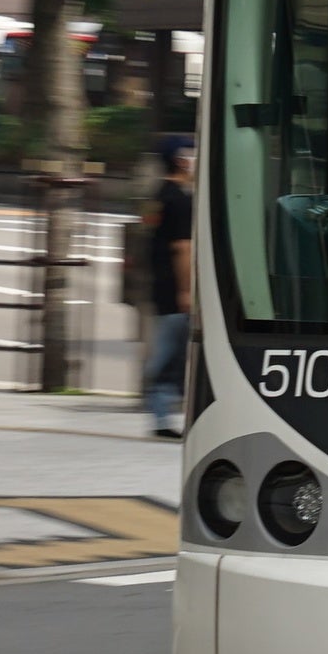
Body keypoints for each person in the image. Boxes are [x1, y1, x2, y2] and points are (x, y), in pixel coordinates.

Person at [142, 138, 197, 437]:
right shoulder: (180, 200)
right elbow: (182, 249)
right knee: (170, 355)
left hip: (160, 286)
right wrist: (186, 291)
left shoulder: (159, 196)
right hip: (175, 291)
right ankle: (162, 416)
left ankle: (162, 413)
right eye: (192, 156)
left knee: (168, 351)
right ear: (180, 161)